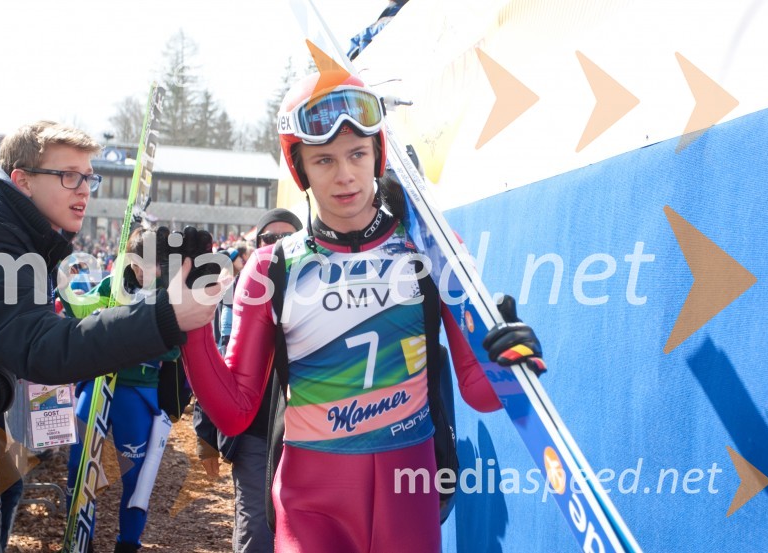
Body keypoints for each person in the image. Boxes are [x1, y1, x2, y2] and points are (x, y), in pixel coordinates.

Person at [181, 72, 545, 553]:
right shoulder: (274, 267)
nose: (345, 174)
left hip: (408, 494)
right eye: (324, 160)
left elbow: (479, 392)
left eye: (357, 154)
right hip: (310, 505)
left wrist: (517, 359)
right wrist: (191, 328)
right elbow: (234, 411)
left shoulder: (432, 251)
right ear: (301, 170)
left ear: (378, 154)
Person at [0, 121, 222, 550]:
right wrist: (164, 316)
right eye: (68, 176)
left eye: (89, 177)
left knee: (5, 501)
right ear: (21, 181)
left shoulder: (8, 225)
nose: (84, 190)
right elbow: (40, 346)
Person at [63, 227, 180, 553]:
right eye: (139, 263)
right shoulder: (114, 283)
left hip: (136, 392)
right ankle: (77, 538)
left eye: (154, 264)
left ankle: (128, 544)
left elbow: (173, 349)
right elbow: (81, 311)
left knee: (135, 477)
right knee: (79, 466)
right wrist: (65, 286)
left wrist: (127, 337)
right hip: (99, 382)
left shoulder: (167, 294)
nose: (146, 271)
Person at [193, 208, 303, 553]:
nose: (277, 246)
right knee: (256, 531)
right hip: (254, 433)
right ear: (256, 246)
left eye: (287, 239)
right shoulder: (233, 294)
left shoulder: (323, 292)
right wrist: (205, 432)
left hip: (307, 436)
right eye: (269, 239)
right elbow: (217, 360)